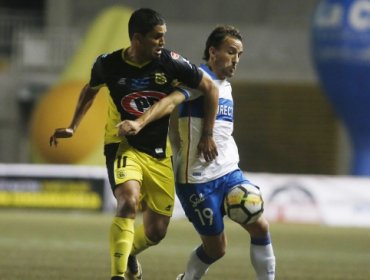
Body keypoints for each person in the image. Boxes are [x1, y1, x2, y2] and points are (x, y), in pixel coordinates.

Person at [49, 8, 219, 280]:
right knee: (127, 202)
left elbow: (210, 88)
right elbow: (89, 91)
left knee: (157, 231)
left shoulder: (170, 63)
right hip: (122, 144)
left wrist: (208, 133)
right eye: (156, 37)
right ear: (137, 39)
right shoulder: (108, 64)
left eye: (163, 36)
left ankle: (127, 253)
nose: (162, 42)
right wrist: (72, 126)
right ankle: (118, 275)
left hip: (159, 151)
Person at [118, 25, 276, 280]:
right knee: (217, 249)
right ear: (213, 52)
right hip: (197, 180)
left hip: (228, 171)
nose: (236, 60)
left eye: (240, 55)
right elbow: (168, 102)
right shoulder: (197, 80)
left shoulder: (225, 85)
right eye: (231, 52)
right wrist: (139, 123)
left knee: (259, 224)